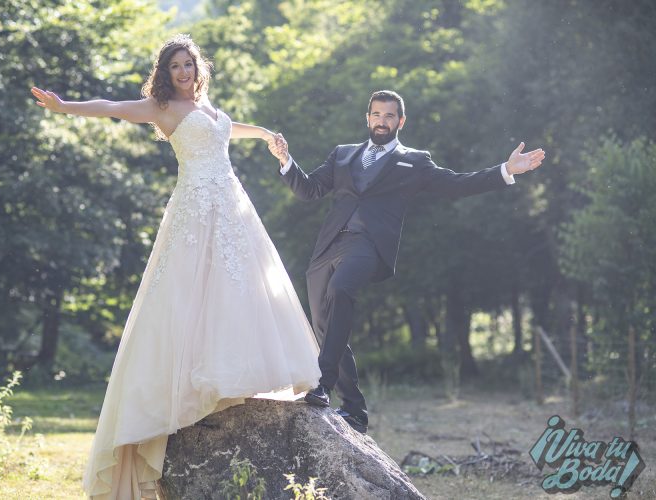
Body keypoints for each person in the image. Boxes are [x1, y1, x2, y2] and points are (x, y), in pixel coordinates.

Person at [32, 34, 321, 500]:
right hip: (194, 211)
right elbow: (112, 106)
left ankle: (234, 376)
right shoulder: (160, 108)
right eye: (175, 67)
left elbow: (226, 127)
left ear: (198, 67)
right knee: (187, 294)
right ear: (165, 73)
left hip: (232, 211)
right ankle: (185, 391)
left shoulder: (207, 106)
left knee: (239, 288)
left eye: (188, 64)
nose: (183, 72)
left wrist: (264, 133)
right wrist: (65, 107)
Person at [269, 90, 545, 435]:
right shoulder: (342, 155)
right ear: (367, 118)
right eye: (376, 115)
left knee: (342, 290)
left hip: (368, 245)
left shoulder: (413, 161)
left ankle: (322, 384)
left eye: (389, 116)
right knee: (325, 328)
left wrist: (506, 170)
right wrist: (285, 160)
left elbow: (455, 185)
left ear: (400, 121)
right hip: (328, 246)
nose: (382, 122)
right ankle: (354, 411)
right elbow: (309, 190)